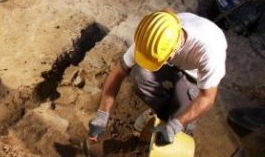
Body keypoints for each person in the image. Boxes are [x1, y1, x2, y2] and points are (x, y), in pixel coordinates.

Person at [87, 10, 227, 145]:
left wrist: (176, 125)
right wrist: (102, 115)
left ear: (172, 53)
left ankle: (175, 121)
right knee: (141, 74)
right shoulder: (153, 37)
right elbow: (119, 71)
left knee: (183, 113)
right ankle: (160, 113)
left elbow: (207, 98)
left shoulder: (209, 53)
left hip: (194, 74)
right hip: (169, 59)